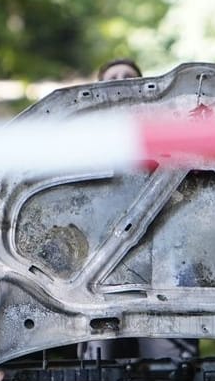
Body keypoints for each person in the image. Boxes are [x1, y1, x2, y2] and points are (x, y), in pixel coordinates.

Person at [84, 58, 199, 362]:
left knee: (169, 360)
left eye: (129, 76)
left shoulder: (162, 127)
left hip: (164, 260)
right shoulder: (81, 133)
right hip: (99, 264)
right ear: (98, 88)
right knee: (99, 360)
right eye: (113, 76)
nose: (121, 81)